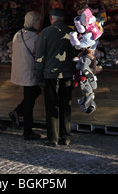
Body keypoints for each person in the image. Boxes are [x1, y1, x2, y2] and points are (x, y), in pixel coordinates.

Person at [35, 8, 78, 146]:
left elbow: (40, 56)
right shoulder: (72, 32)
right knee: (66, 105)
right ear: (63, 19)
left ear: (51, 18)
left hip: (50, 74)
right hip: (67, 73)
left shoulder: (46, 32)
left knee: (52, 105)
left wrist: (39, 75)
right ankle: (65, 137)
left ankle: (52, 138)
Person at [9, 11, 42, 140]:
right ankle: (27, 131)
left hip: (20, 72)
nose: (39, 24)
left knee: (33, 94)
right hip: (30, 72)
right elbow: (39, 55)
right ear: (34, 23)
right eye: (38, 21)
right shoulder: (35, 38)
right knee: (29, 102)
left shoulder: (17, 35)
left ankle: (17, 112)